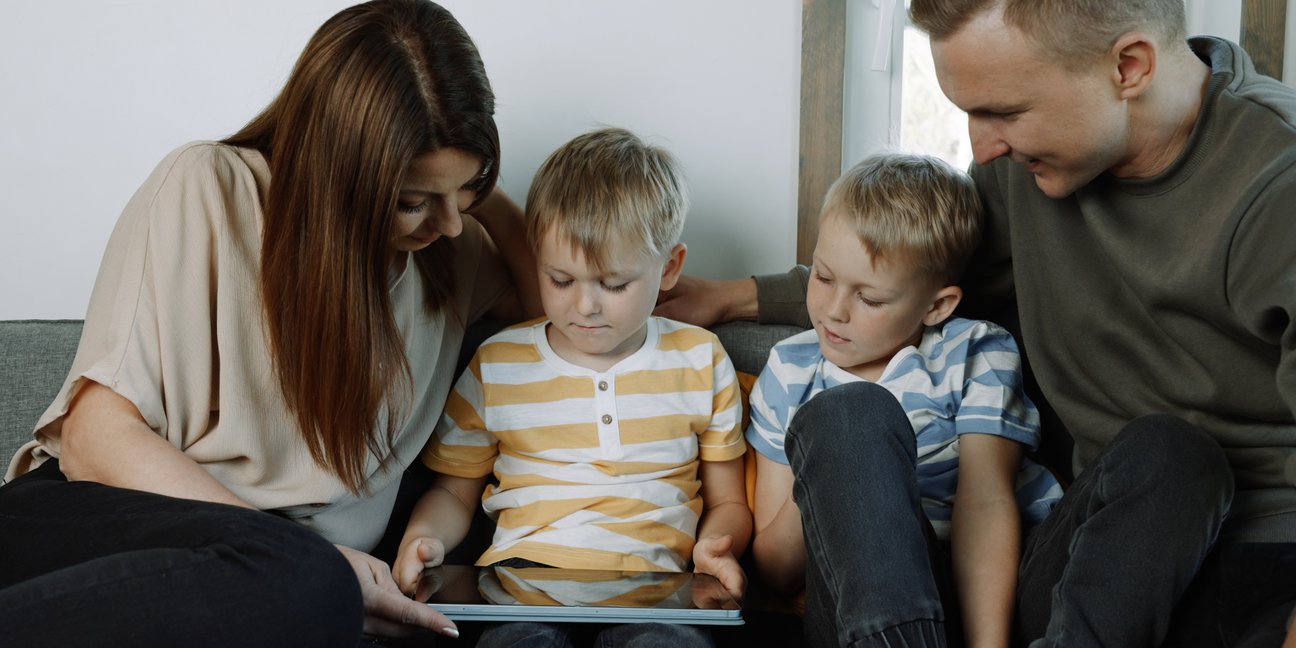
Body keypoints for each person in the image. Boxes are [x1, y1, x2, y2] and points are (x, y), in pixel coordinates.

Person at [656, 0, 1296, 646]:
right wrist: (732, 298)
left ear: (1128, 67)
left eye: (1004, 112)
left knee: (1175, 452)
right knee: (850, 411)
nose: (981, 148)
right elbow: (904, 281)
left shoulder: (1278, 180)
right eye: (967, 112)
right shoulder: (1017, 172)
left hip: (1259, 548)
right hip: (1084, 556)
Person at [0, 1, 543, 645]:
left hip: (275, 582)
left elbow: (569, 309)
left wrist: (486, 196)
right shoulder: (208, 188)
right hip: (109, 526)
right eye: (411, 200)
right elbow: (94, 437)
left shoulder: (447, 254)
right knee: (307, 583)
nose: (449, 223)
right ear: (337, 172)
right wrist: (311, 567)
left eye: (467, 191)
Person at [394, 127, 751, 647]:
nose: (584, 307)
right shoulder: (498, 364)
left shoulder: (699, 359)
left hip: (658, 590)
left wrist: (719, 547)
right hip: (518, 588)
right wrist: (423, 538)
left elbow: (729, 503)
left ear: (669, 268)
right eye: (560, 280)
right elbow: (452, 491)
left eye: (614, 284)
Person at [746, 152, 1060, 648]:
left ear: (937, 305)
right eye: (823, 277)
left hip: (982, 595)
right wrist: (825, 470)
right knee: (848, 415)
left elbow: (985, 502)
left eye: (869, 299)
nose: (833, 311)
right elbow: (777, 570)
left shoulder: (974, 352)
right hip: (858, 610)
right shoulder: (790, 371)